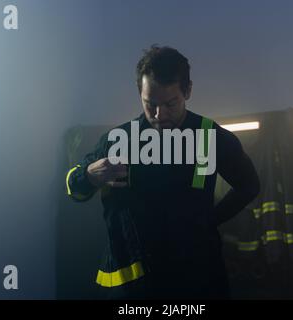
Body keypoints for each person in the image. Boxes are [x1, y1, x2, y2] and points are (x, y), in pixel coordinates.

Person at [66, 45, 260, 299]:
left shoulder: (209, 137)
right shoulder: (119, 140)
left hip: (197, 280)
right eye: (151, 104)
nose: (160, 115)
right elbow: (74, 190)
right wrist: (90, 175)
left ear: (188, 91)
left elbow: (249, 186)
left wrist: (208, 221)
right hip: (135, 286)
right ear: (140, 94)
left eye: (171, 104)